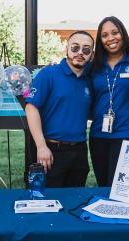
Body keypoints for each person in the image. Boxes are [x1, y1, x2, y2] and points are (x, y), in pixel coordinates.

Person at [25, 31, 94, 187]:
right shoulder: (49, 74)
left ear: (91, 54)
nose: (80, 53)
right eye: (75, 48)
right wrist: (41, 147)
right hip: (51, 150)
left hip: (80, 150)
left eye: (86, 49)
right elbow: (31, 108)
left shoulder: (89, 80)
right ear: (67, 49)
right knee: (48, 202)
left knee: (74, 200)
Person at [88, 16, 129, 187]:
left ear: (123, 34)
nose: (110, 38)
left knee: (122, 187)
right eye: (105, 35)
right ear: (100, 40)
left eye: (115, 32)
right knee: (103, 186)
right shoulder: (93, 66)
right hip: (98, 135)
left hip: (127, 134)